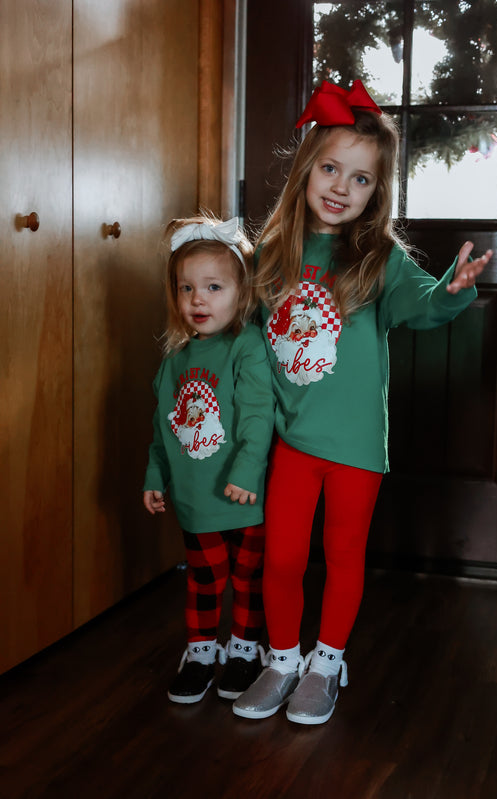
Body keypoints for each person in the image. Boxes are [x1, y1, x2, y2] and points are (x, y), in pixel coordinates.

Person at [232, 80, 493, 725]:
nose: (341, 187)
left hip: (353, 445)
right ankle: (283, 658)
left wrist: (453, 290)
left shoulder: (379, 260)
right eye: (330, 168)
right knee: (286, 556)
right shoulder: (272, 254)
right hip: (291, 441)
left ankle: (327, 663)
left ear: (377, 193)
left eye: (361, 179)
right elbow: (249, 346)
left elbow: (423, 308)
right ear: (306, 168)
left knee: (344, 554)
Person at [143, 214, 274, 705]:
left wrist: (245, 472)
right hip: (197, 498)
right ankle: (201, 651)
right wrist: (155, 476)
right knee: (204, 579)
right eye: (187, 288)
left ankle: (242, 650)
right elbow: (162, 429)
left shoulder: (246, 347)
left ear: (241, 293)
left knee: (246, 577)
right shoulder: (174, 360)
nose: (199, 299)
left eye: (214, 287)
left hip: (244, 497)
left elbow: (259, 416)